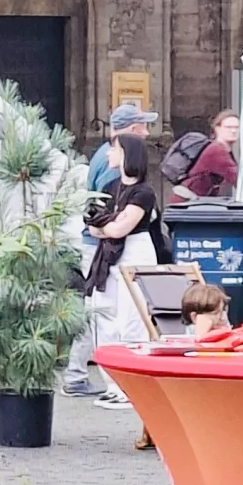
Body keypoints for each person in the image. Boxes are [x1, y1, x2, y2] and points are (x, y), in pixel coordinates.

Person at [83, 136, 172, 413]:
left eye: (115, 148)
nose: (109, 153)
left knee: (132, 320)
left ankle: (132, 386)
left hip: (134, 254)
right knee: (105, 315)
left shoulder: (143, 193)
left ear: (127, 155)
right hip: (109, 255)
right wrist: (107, 225)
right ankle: (113, 384)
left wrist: (106, 225)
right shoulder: (111, 187)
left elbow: (118, 228)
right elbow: (95, 227)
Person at [134, 280, 231, 450]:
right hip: (193, 379)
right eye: (216, 314)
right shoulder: (193, 334)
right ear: (195, 317)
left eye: (223, 312)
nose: (221, 318)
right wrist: (204, 327)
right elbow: (199, 342)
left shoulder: (220, 327)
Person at [85, 100, 157, 193]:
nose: (147, 133)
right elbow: (109, 200)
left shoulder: (106, 150)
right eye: (142, 127)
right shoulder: (116, 163)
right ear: (133, 130)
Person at [174, 110, 240, 202]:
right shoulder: (217, 150)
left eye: (237, 127)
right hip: (187, 202)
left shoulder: (222, 149)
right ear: (217, 128)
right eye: (228, 127)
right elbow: (238, 179)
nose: (233, 131)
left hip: (195, 201)